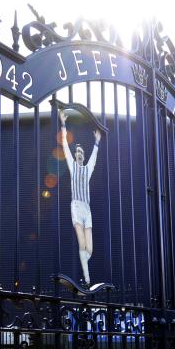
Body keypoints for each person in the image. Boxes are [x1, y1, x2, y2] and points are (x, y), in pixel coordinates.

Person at [59, 109, 102, 286]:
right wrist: (63, 124)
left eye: (81, 154)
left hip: (87, 208)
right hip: (76, 205)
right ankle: (87, 278)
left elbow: (94, 157)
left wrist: (97, 142)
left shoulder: (87, 168)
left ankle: (85, 269)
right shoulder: (72, 166)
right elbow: (64, 145)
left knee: (89, 249)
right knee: (82, 244)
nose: (79, 155)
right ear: (75, 156)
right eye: (77, 154)